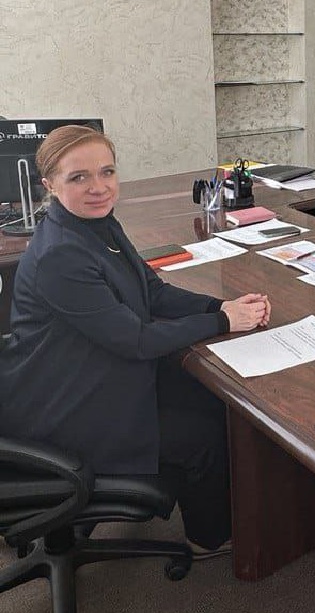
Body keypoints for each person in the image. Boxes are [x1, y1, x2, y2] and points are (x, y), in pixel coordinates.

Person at [0, 125, 272, 555]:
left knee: (208, 396)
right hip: (65, 404)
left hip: (88, 369)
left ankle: (233, 504)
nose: (99, 187)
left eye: (106, 172)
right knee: (202, 435)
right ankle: (209, 538)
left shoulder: (97, 224)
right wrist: (223, 321)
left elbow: (154, 292)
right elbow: (137, 340)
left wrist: (220, 305)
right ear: (49, 184)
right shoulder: (60, 254)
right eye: (79, 177)